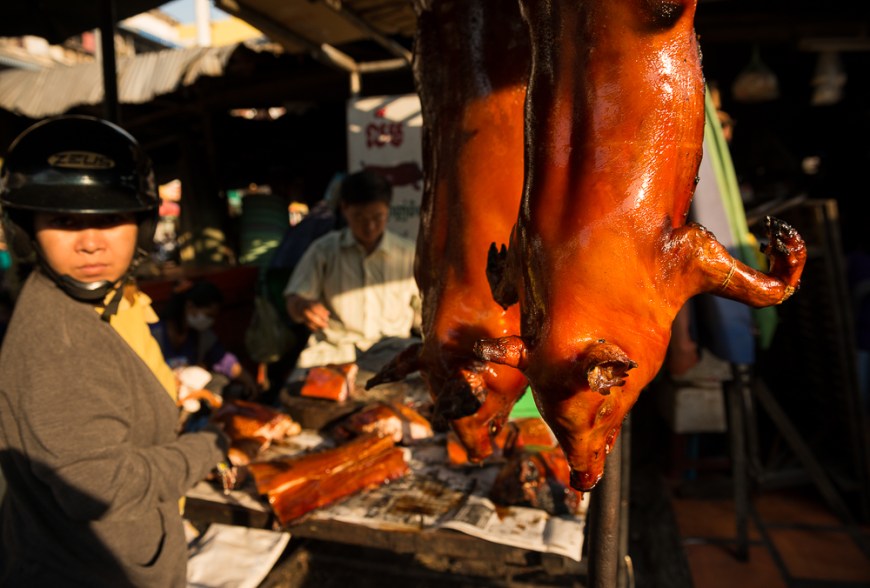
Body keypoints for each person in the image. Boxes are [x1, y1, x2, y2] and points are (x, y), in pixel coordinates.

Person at [0, 115, 230, 587]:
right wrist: (207, 448)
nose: (90, 243)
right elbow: (101, 487)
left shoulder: (103, 302)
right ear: (28, 232)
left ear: (143, 229)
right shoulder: (58, 338)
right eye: (64, 222)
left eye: (110, 219)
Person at [283, 169, 420, 372]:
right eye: (359, 217)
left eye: (378, 217)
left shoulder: (408, 253)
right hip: (335, 350)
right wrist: (302, 306)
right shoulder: (323, 250)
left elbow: (424, 315)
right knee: (300, 391)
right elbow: (293, 301)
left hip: (393, 350)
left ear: (388, 210)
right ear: (344, 209)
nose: (370, 226)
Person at [150, 279, 259, 399]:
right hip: (159, 396)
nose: (210, 321)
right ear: (190, 306)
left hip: (190, 397)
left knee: (220, 381)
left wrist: (248, 380)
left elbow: (224, 360)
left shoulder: (202, 336)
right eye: (208, 315)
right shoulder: (154, 334)